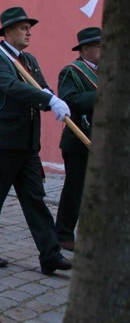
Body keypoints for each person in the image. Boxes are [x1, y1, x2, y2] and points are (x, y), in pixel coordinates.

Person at [0, 7, 72, 275]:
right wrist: (46, 98)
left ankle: (50, 254)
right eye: (23, 27)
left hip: (29, 143)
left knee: (36, 199)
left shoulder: (29, 60)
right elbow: (10, 87)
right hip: (6, 141)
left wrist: (52, 99)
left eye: (29, 27)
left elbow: (41, 87)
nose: (29, 31)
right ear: (7, 31)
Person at [55, 27, 100, 252]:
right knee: (75, 189)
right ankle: (63, 234)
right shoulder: (71, 72)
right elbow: (70, 101)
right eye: (100, 46)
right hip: (79, 140)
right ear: (84, 49)